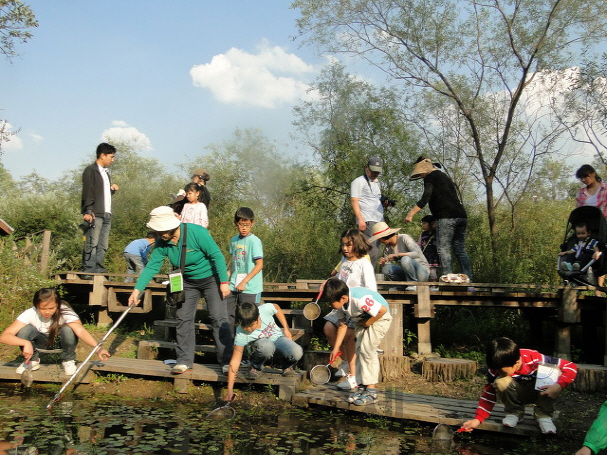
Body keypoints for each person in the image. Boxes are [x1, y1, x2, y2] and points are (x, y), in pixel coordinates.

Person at [127, 206, 232, 374]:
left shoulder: (197, 233)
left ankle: (227, 362)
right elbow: (151, 267)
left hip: (211, 278)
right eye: (158, 231)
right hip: (187, 282)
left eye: (162, 230)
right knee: (183, 318)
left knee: (219, 317)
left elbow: (217, 255)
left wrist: (224, 282)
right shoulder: (162, 243)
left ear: (173, 225)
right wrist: (137, 290)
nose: (160, 235)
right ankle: (184, 360)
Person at [461, 337, 577, 434]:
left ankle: (543, 415)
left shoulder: (534, 358)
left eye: (502, 371)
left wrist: (558, 385)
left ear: (517, 362)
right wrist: (478, 419)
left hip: (542, 392)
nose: (497, 372)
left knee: (550, 371)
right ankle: (514, 412)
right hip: (518, 391)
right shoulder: (496, 367)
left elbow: (571, 366)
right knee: (500, 381)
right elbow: (489, 395)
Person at [0, 288, 110, 376]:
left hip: (60, 343)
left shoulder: (65, 311)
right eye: (43, 309)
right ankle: (33, 361)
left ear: (57, 305)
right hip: (40, 344)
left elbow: (80, 331)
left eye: (51, 308)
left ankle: (68, 360)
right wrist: (26, 343)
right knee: (24, 330)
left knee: (68, 328)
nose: (47, 312)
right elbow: (4, 336)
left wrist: (98, 348)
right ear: (36, 306)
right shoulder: (29, 313)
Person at [319, 278, 392, 406]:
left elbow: (382, 311)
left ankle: (371, 390)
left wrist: (367, 323)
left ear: (342, 298)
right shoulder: (340, 306)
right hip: (362, 320)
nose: (329, 305)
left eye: (330, 302)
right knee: (359, 351)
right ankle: (362, 387)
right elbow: (342, 326)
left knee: (367, 350)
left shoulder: (359, 300)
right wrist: (336, 348)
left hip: (378, 319)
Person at [325, 229, 376, 392]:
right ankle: (346, 362)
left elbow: (371, 289)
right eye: (343, 245)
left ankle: (352, 377)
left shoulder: (364, 263)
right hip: (343, 306)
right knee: (328, 328)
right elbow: (339, 284)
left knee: (348, 336)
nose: (345, 248)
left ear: (357, 244)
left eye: (349, 245)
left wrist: (365, 313)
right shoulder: (345, 263)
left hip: (357, 307)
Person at [405, 157, 472, 280]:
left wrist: (410, 214)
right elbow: (444, 197)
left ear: (425, 170)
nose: (421, 176)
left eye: (421, 174)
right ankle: (469, 279)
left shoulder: (430, 177)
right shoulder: (444, 176)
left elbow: (426, 198)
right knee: (460, 250)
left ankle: (449, 278)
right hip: (461, 215)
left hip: (446, 217)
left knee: (443, 248)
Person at [224, 301, 303, 399]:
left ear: (258, 318)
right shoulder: (241, 333)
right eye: (245, 327)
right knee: (266, 346)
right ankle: (255, 366)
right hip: (261, 346)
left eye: (251, 325)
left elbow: (277, 307)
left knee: (297, 352)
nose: (248, 329)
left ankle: (285, 365)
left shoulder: (264, 310)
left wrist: (286, 329)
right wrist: (230, 390)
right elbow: (235, 360)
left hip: (278, 339)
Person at [81, 142, 119, 274]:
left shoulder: (106, 173)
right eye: (111, 156)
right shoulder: (91, 171)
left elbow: (101, 193)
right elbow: (88, 191)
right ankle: (89, 271)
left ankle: (99, 270)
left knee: (103, 244)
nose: (112, 160)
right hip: (95, 212)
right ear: (102, 155)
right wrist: (88, 210)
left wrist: (111, 190)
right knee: (92, 242)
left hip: (106, 213)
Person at [226, 207, 264, 329]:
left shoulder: (254, 241)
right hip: (234, 285)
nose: (244, 228)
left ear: (252, 224)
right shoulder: (234, 241)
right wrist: (225, 278)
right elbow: (234, 262)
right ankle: (230, 345)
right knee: (228, 316)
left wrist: (244, 281)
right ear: (236, 224)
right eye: (241, 225)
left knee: (249, 318)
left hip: (250, 287)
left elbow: (259, 264)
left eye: (247, 225)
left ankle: (249, 346)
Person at [351, 156, 389, 266]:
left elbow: (374, 200)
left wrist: (384, 204)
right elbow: (354, 201)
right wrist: (360, 219)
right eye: (373, 171)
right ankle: (366, 277)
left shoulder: (377, 182)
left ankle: (368, 275)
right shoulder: (358, 181)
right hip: (367, 220)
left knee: (376, 250)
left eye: (377, 172)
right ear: (366, 167)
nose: (375, 174)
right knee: (371, 250)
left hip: (379, 221)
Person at [575, 164, 607, 294]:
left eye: (585, 176)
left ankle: (599, 288)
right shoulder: (581, 193)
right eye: (581, 178)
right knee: (584, 250)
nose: (584, 180)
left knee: (601, 252)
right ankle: (577, 279)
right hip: (588, 226)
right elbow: (578, 210)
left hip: (604, 224)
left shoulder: (605, 188)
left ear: (593, 174)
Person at [369, 222, 430, 289]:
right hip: (407, 274)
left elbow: (417, 254)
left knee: (405, 259)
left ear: (384, 237)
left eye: (379, 238)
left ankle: (412, 284)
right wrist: (384, 263)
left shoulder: (404, 238)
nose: (379, 241)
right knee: (386, 269)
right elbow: (387, 266)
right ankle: (401, 286)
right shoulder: (387, 248)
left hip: (421, 273)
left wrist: (397, 254)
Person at [418, 215, 440, 280]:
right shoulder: (423, 234)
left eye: (425, 223)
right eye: (422, 224)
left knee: (433, 272)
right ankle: (425, 285)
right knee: (424, 271)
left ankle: (433, 285)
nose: (423, 225)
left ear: (431, 223)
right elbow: (418, 244)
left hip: (433, 256)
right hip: (424, 255)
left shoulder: (437, 233)